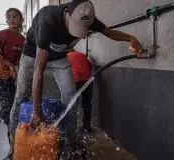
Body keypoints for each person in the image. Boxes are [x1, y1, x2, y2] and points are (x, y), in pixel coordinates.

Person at [9, 0, 144, 149]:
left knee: (70, 97)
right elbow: (38, 70)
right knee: (21, 96)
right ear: (66, 11)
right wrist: (36, 111)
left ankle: (70, 142)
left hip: (59, 57)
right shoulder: (47, 20)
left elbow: (109, 33)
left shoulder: (87, 17)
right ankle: (13, 139)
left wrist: (130, 38)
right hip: (33, 55)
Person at [0, 8, 25, 128]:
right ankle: (2, 129)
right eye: (9, 17)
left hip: (8, 73)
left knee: (14, 100)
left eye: (14, 16)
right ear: (6, 21)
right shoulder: (3, 34)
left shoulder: (23, 39)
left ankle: (11, 126)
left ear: (21, 20)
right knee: (6, 103)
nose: (11, 19)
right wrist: (9, 63)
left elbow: (22, 58)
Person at [67, 50, 93, 133]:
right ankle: (87, 127)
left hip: (76, 81)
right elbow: (90, 66)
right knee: (87, 105)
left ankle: (73, 128)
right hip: (87, 81)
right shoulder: (81, 54)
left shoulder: (66, 56)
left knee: (73, 105)